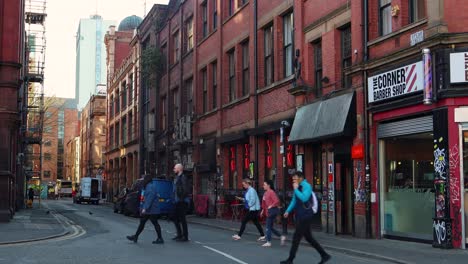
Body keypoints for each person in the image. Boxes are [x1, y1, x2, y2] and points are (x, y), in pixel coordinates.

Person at [281, 171, 331, 264]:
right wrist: (287, 211)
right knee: (309, 238)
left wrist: (296, 190)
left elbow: (304, 198)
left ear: (300, 178)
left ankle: (290, 260)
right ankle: (325, 255)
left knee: (296, 237)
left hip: (306, 215)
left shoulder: (306, 186)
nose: (293, 181)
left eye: (295, 179)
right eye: (293, 179)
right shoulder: (298, 187)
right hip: (300, 215)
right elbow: (294, 201)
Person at [126, 175, 164, 244]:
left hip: (152, 209)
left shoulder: (150, 187)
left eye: (144, 179)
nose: (143, 180)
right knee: (143, 223)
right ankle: (136, 236)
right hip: (151, 209)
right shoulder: (148, 186)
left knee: (153, 223)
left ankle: (160, 238)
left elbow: (149, 199)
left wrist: (145, 208)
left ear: (147, 180)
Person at [260, 180, 285, 247]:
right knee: (270, 227)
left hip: (272, 211)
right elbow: (264, 203)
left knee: (268, 227)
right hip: (269, 211)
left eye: (264, 185)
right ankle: (281, 237)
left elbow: (277, 201)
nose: (263, 186)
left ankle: (268, 242)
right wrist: (262, 210)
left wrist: (271, 205)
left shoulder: (271, 192)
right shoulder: (265, 193)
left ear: (269, 185)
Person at [172, 163, 189, 242]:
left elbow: (185, 189)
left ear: (179, 169)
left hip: (182, 201)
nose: (174, 170)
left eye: (175, 168)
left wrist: (181, 199)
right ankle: (179, 234)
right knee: (175, 218)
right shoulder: (177, 177)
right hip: (176, 201)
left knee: (182, 219)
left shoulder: (183, 177)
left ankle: (185, 236)